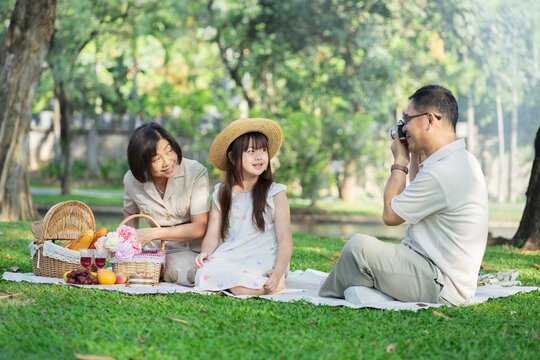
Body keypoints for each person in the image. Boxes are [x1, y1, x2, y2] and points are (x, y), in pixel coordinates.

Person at [319, 85, 488, 306]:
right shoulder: (458, 160)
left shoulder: (444, 172)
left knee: (358, 248)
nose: (404, 127)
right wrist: (416, 151)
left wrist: (400, 162)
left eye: (407, 120)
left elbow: (391, 216)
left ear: (429, 120)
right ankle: (353, 286)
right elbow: (416, 191)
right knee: (362, 262)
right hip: (431, 269)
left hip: (440, 284)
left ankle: (325, 297)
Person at [193, 118, 293, 295]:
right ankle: (241, 283)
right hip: (233, 253)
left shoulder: (275, 193)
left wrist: (277, 273)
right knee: (203, 273)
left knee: (240, 287)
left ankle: (276, 284)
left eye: (263, 150)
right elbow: (213, 235)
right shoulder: (222, 193)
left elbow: (285, 240)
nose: (259, 156)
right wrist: (206, 252)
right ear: (232, 157)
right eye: (252, 151)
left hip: (264, 255)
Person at [123, 122, 210, 286]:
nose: (168, 161)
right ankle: (154, 269)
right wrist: (129, 245)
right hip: (156, 251)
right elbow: (130, 214)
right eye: (156, 159)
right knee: (128, 268)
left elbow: (200, 227)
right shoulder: (131, 180)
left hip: (192, 250)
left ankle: (158, 271)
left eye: (169, 150)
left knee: (190, 269)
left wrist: (152, 233)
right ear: (142, 164)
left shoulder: (195, 172)